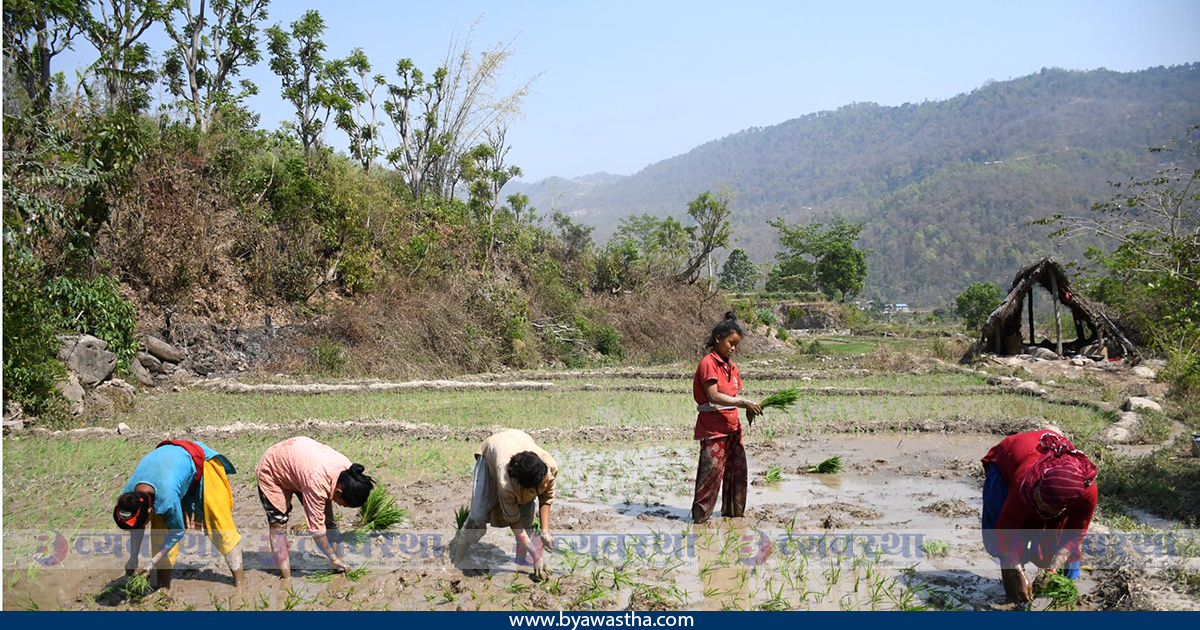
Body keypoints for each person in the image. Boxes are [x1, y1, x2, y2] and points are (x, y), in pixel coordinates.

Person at [981, 430, 1098, 603]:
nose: (1036, 504)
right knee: (1006, 539)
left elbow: (1074, 537)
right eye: (1037, 498)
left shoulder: (1086, 494)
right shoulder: (1025, 485)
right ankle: (1013, 596)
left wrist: (1052, 571)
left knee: (1059, 541)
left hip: (1057, 492)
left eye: (1043, 506)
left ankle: (1065, 593)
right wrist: (1019, 571)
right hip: (1011, 456)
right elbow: (1004, 533)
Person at [114, 440, 243, 593]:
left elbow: (177, 532)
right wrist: (133, 557)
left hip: (201, 463)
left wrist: (152, 563)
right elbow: (137, 525)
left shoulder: (166, 498)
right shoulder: (129, 497)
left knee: (220, 524)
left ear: (150, 510)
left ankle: (240, 584)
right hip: (169, 467)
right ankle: (163, 587)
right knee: (159, 532)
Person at [255, 436, 375, 582]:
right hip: (273, 469)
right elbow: (316, 531)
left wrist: (339, 561)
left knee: (329, 522)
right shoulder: (317, 484)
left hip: (300, 465)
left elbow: (328, 523)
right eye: (344, 504)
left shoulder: (349, 472)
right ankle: (285, 579)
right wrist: (332, 558)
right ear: (338, 492)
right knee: (278, 525)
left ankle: (339, 563)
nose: (342, 506)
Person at [450, 429, 558, 581]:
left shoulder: (548, 469)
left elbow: (546, 499)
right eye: (543, 484)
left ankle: (521, 563)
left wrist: (545, 532)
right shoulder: (506, 482)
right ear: (526, 488)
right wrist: (536, 554)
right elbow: (513, 521)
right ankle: (457, 558)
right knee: (478, 515)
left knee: (526, 517)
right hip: (492, 453)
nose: (547, 484)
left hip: (518, 439)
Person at [691, 312, 762, 524]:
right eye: (731, 343)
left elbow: (732, 396)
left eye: (736, 345)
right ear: (718, 339)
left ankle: (734, 518)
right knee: (711, 475)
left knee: (737, 474)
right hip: (713, 431)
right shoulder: (708, 363)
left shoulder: (732, 367)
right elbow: (713, 396)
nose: (733, 348)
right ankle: (700, 520)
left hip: (732, 429)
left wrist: (747, 407)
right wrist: (742, 402)